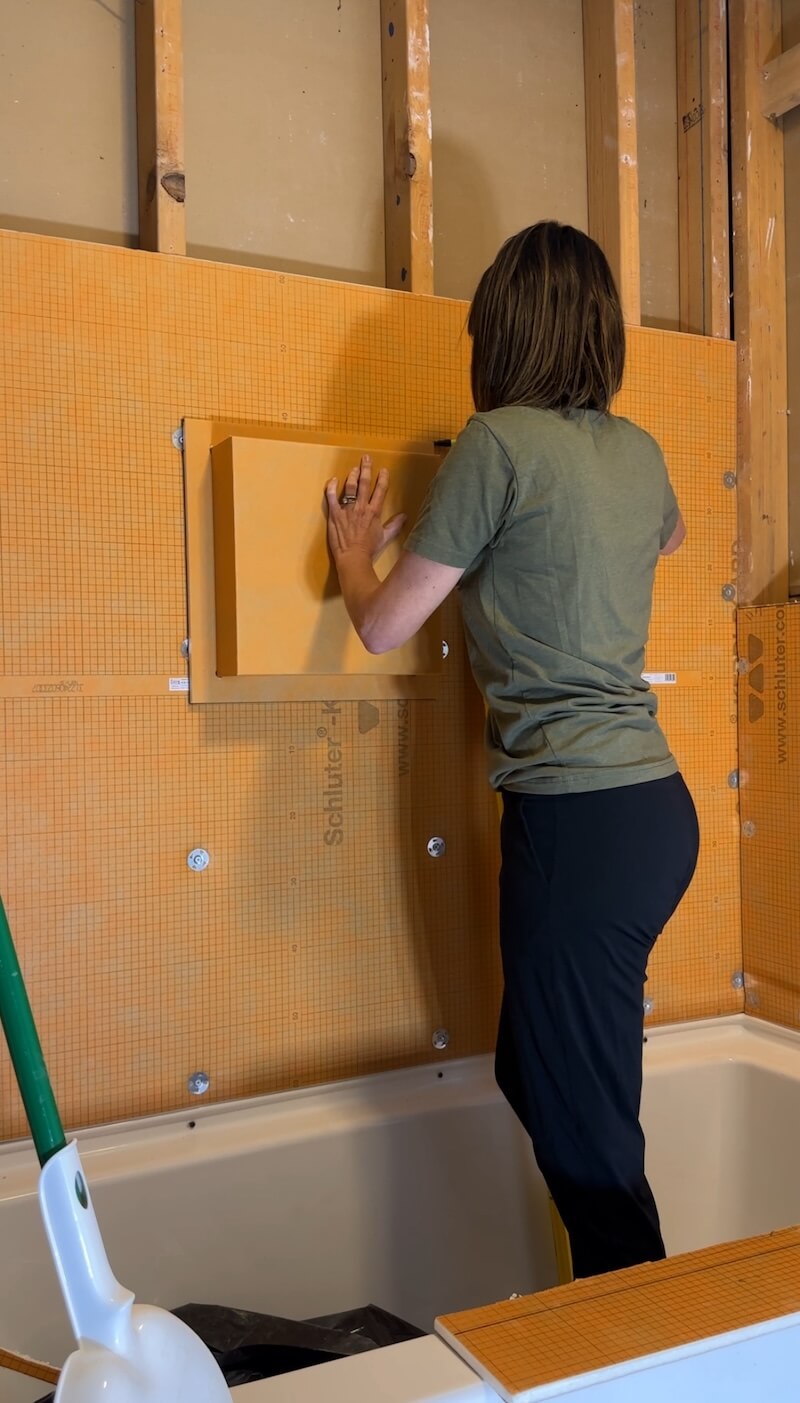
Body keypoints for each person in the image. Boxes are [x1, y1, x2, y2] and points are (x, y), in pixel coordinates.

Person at [324, 221, 699, 1280]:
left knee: (587, 1148)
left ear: (503, 331)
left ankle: (643, 1348)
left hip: (574, 821)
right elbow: (665, 534)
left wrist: (357, 553)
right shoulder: (635, 451)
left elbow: (384, 625)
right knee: (541, 1077)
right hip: (648, 813)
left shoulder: (494, 444)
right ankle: (634, 1325)